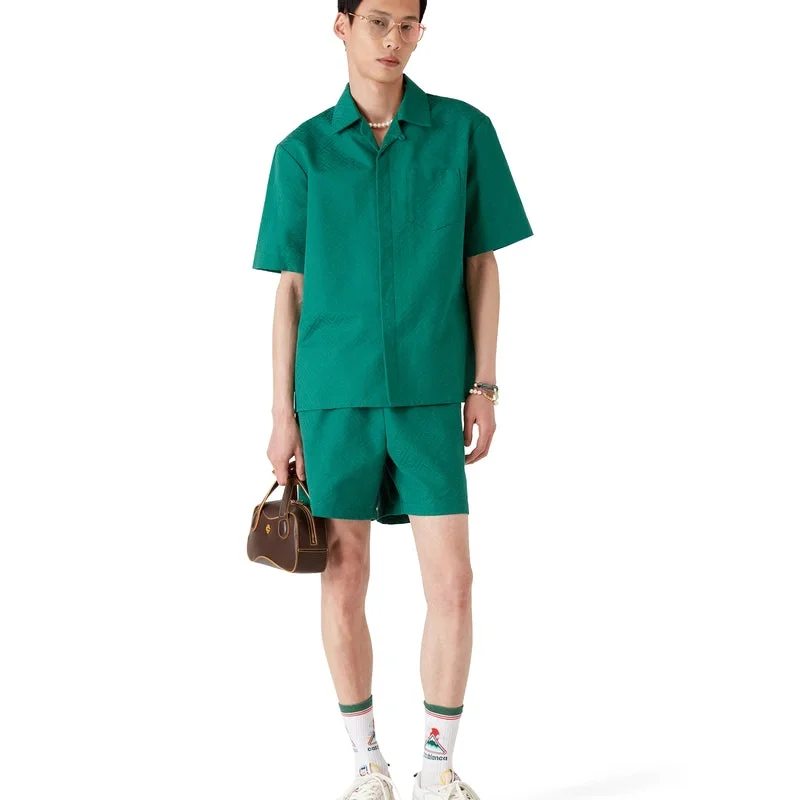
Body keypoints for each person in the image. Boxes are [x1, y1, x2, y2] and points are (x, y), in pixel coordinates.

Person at [252, 1, 533, 798]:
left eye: (407, 24)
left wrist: (484, 384)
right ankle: (366, 765)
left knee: (455, 584)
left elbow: (481, 266)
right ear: (340, 26)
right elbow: (290, 290)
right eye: (377, 21)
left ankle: (437, 769)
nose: (392, 39)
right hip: (333, 400)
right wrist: (282, 414)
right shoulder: (301, 152)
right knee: (342, 579)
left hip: (429, 395)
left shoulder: (464, 132)